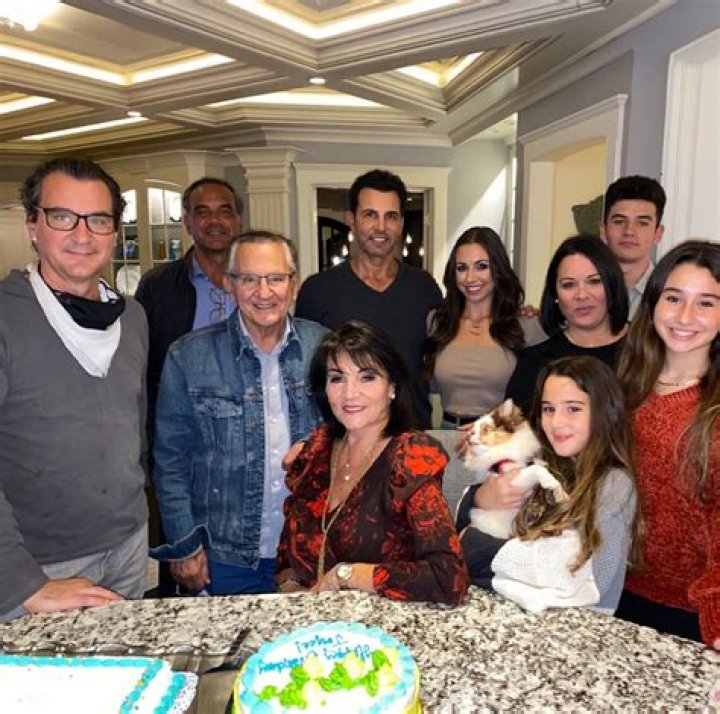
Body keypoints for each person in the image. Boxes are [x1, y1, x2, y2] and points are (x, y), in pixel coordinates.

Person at [0, 158, 149, 620]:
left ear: (114, 231)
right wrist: (20, 583)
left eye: (98, 220)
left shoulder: (133, 316)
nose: (82, 235)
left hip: (129, 545)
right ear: (33, 225)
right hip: (39, 567)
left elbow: (134, 428)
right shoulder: (6, 318)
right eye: (62, 217)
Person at [151, 231, 327, 595]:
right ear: (229, 285)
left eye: (275, 278)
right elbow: (170, 461)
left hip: (307, 554)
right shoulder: (188, 357)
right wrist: (184, 545)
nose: (264, 292)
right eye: (249, 279)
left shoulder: (324, 348)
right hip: (221, 558)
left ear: (293, 285)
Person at [276, 320, 468, 605]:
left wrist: (347, 575)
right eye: (337, 378)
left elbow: (448, 578)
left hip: (382, 624)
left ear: (392, 387)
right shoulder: (316, 450)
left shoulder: (410, 457)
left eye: (367, 377)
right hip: (311, 620)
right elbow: (287, 554)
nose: (350, 393)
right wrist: (293, 591)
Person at [458, 356, 639, 614]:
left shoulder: (614, 484)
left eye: (573, 409)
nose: (556, 422)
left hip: (578, 622)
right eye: (548, 409)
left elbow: (586, 580)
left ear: (604, 412)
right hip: (506, 609)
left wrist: (475, 547)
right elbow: (455, 534)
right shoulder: (533, 460)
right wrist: (478, 499)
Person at [135, 177, 243, 594]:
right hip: (184, 448)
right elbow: (144, 372)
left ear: (238, 219)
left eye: (224, 210)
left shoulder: (255, 279)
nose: (214, 221)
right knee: (183, 571)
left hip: (245, 450)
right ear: (187, 222)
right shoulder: (158, 287)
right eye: (202, 212)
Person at [615, 240, 719, 649]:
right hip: (611, 591)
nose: (685, 316)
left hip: (693, 616)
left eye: (706, 303)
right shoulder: (624, 388)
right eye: (674, 298)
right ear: (654, 302)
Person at [295, 169, 442, 429]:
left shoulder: (425, 288)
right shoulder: (317, 291)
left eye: (391, 216)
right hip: (344, 439)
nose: (381, 227)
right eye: (370, 215)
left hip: (412, 438)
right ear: (351, 219)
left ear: (401, 223)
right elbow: (307, 376)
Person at [424, 226, 545, 428]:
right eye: (462, 268)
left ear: (498, 269)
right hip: (448, 435)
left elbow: (542, 398)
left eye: (482, 266)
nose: (470, 278)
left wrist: (491, 427)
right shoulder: (437, 323)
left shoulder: (527, 326)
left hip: (504, 436)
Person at [505, 235, 628, 417]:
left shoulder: (647, 348)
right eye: (569, 285)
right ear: (555, 295)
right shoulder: (535, 362)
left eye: (594, 281)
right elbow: (512, 429)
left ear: (612, 285)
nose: (582, 295)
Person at [599, 175, 666, 319]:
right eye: (619, 221)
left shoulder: (669, 295)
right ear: (603, 231)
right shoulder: (582, 291)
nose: (629, 231)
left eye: (642, 223)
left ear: (658, 233)